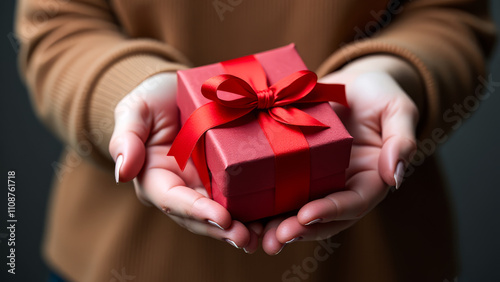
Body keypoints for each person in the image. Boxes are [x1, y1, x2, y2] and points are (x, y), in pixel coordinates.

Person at [15, 0, 495, 281]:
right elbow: (57, 23)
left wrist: (394, 72)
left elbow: (450, 12)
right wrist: (126, 93)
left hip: (375, 257)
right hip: (125, 258)